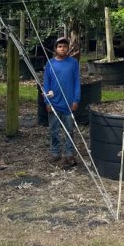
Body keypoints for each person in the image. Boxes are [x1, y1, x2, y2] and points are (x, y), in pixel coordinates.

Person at [42, 37, 81, 167]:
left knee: (69, 130)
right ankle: (55, 153)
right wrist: (47, 101)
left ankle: (69, 154)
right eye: (59, 46)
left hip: (69, 103)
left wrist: (76, 99)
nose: (62, 48)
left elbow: (76, 82)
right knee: (54, 130)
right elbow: (46, 83)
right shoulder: (50, 64)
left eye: (64, 46)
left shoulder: (73, 63)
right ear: (55, 49)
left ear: (68, 48)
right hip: (54, 103)